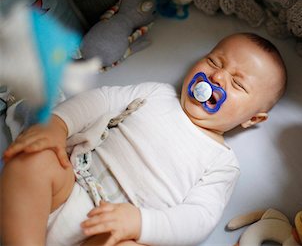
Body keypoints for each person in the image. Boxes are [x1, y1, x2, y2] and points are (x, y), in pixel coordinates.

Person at [0, 32, 287, 246]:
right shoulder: (157, 93)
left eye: (237, 83)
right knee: (33, 157)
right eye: (214, 61)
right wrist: (58, 126)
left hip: (115, 232)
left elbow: (199, 219)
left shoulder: (222, 162)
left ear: (253, 119)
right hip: (70, 184)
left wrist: (141, 224)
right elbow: (99, 101)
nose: (218, 77)